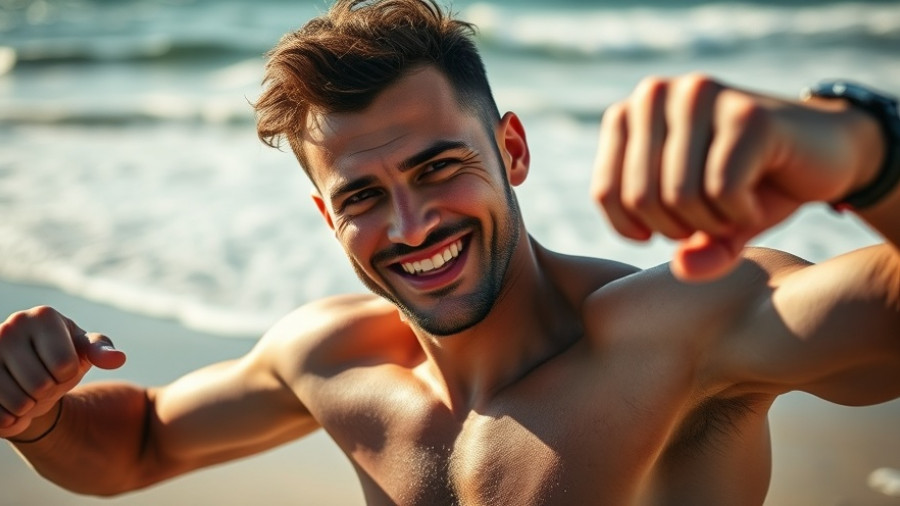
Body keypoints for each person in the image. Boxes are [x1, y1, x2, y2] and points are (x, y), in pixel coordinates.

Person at [2, 0, 898, 504]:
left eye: (439, 168)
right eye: (363, 196)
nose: (412, 224)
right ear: (326, 216)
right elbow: (142, 443)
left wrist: (862, 149)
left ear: (511, 149)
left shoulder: (686, 330)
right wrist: (35, 410)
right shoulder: (334, 359)